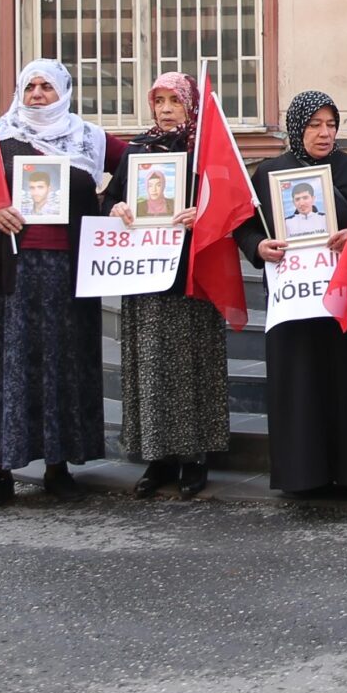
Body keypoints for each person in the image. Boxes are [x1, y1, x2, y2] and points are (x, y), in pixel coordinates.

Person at [235, 90, 347, 499]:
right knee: (302, 384)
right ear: (297, 128)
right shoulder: (270, 173)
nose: (324, 133)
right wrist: (258, 247)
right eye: (314, 125)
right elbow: (245, 226)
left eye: (330, 125)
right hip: (296, 301)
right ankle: (303, 474)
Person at [0, 60, 122, 508]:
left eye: (47, 87)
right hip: (8, 276)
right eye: (30, 86)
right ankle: (0, 471)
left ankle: (59, 466)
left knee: (63, 367)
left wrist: (117, 204)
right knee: (6, 369)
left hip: (68, 274)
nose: (38, 94)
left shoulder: (89, 139)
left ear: (65, 92)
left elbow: (143, 167)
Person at [100, 73, 223, 502]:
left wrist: (201, 212)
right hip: (144, 272)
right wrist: (115, 206)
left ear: (190, 104)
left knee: (191, 363)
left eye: (175, 100)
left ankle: (195, 456)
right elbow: (109, 200)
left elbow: (230, 203)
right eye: (159, 100)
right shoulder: (137, 150)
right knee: (150, 365)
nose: (167, 108)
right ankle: (158, 456)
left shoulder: (204, 148)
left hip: (189, 274)